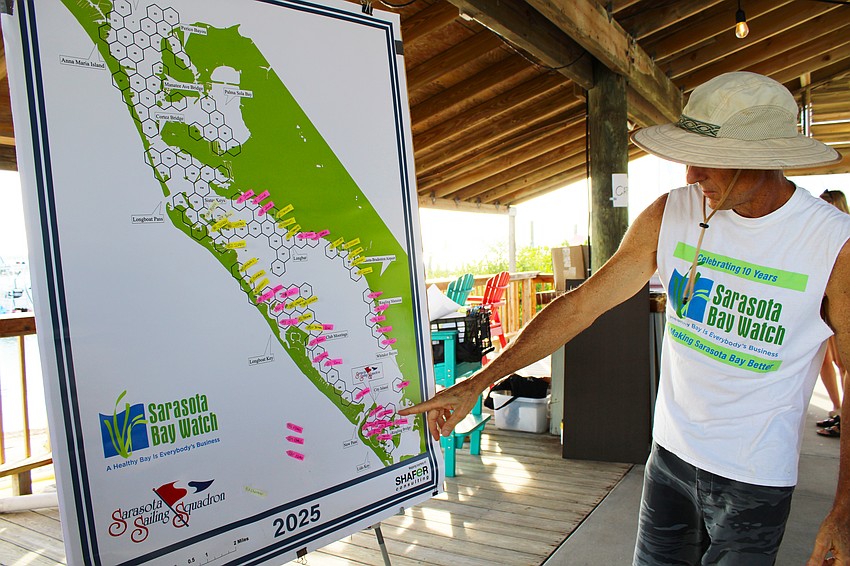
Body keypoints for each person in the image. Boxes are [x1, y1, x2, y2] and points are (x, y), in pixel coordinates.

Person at [400, 71, 850, 565]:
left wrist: (843, 509)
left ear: (764, 158)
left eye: (710, 160)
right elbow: (582, 305)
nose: (691, 176)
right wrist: (479, 381)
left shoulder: (832, 243)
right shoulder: (671, 213)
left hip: (755, 479)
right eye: (688, 158)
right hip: (671, 457)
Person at [817, 190, 849, 438]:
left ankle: (844, 418)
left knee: (843, 363)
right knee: (827, 360)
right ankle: (837, 409)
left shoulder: (843, 233)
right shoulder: (818, 232)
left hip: (839, 301)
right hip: (821, 301)